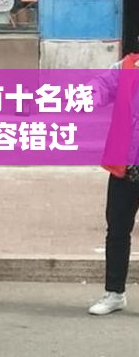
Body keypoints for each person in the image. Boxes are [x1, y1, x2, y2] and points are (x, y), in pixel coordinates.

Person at [88, 52, 139, 315]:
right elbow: (102, 85)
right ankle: (114, 293)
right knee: (117, 230)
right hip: (126, 166)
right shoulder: (127, 66)